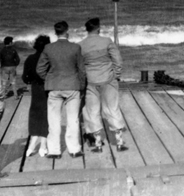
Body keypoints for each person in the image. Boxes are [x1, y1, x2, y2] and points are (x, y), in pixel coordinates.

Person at [36, 21, 86, 159]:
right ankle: (74, 149)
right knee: (73, 119)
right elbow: (82, 70)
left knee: (53, 120)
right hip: (72, 86)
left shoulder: (48, 48)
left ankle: (54, 151)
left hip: (54, 86)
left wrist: (49, 79)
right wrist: (81, 86)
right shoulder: (75, 48)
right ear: (67, 32)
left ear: (55, 33)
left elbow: (39, 69)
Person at [79, 17, 127, 152]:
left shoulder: (81, 45)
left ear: (86, 29)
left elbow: (80, 67)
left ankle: (98, 144)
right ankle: (119, 142)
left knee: (92, 111)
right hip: (108, 79)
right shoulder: (107, 41)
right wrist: (116, 75)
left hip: (91, 81)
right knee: (112, 108)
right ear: (99, 28)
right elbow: (118, 60)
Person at [22, 35, 51, 157]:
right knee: (46, 115)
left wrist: (30, 81)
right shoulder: (49, 59)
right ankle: (43, 147)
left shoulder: (30, 58)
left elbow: (25, 77)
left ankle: (31, 147)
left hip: (35, 88)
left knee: (34, 115)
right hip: (47, 88)